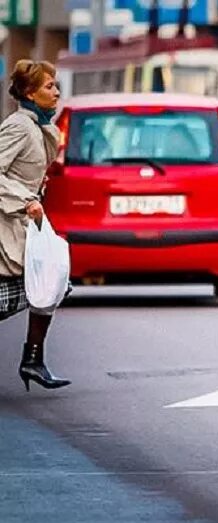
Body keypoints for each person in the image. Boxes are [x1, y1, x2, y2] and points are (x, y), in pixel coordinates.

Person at [0, 59, 70, 391]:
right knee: (21, 292)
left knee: (51, 283)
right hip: (10, 220)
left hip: (29, 220)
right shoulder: (19, 126)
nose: (57, 91)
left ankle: (33, 359)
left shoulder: (39, 126)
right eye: (49, 86)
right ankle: (32, 359)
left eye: (56, 85)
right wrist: (24, 200)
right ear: (29, 92)